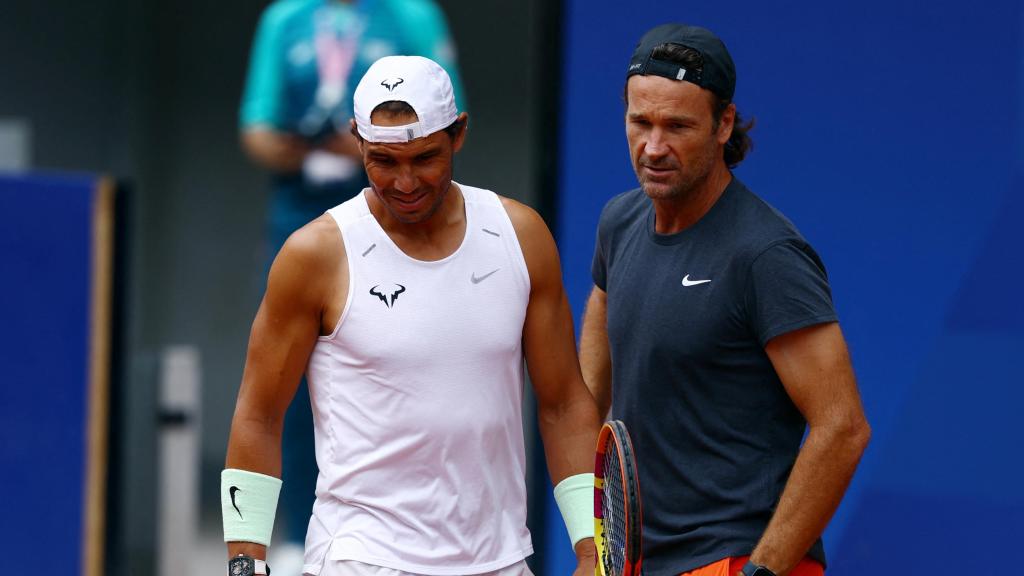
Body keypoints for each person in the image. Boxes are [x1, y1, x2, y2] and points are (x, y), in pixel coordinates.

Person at [222, 55, 601, 576]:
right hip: (360, 558)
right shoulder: (314, 255)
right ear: (356, 140)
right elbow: (258, 414)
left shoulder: (521, 236)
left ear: (459, 134)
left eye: (424, 158)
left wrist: (591, 548)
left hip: (500, 560)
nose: (404, 182)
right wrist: (246, 562)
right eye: (382, 159)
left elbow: (562, 404)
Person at [579, 24, 871, 576]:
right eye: (640, 123)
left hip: (737, 559)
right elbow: (591, 379)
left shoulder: (766, 255)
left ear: (724, 124)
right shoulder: (618, 222)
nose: (654, 147)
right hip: (640, 562)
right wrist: (587, 532)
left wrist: (762, 571)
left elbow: (843, 426)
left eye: (678, 126)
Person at [238, 1, 466, 566]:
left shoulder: (412, 15)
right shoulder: (285, 18)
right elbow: (256, 129)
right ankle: (296, 533)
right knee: (289, 372)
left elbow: (442, 117)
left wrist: (378, 151)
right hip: (300, 205)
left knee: (403, 359)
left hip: (395, 207)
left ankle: (424, 524)